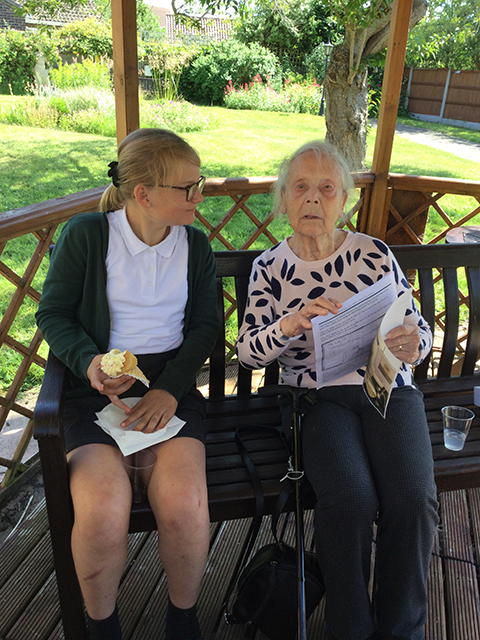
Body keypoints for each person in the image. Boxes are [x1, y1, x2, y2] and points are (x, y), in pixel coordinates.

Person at [236, 141, 439, 640]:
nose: (312, 199)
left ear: (344, 199)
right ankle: (351, 630)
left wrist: (415, 344)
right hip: (315, 398)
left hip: (386, 386)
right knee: (349, 499)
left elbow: (419, 330)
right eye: (300, 187)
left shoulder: (374, 253)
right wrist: (288, 325)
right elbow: (248, 352)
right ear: (282, 199)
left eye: (326, 188)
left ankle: (400, 631)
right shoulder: (269, 268)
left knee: (413, 500)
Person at [36, 128, 219, 640]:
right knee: (102, 512)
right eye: (188, 188)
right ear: (143, 195)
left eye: (198, 184)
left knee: (184, 505)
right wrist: (90, 362)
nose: (199, 197)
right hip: (95, 391)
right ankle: (103, 626)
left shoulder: (195, 245)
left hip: (171, 386)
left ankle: (182, 619)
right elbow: (52, 314)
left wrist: (169, 389)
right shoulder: (88, 236)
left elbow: (206, 326)